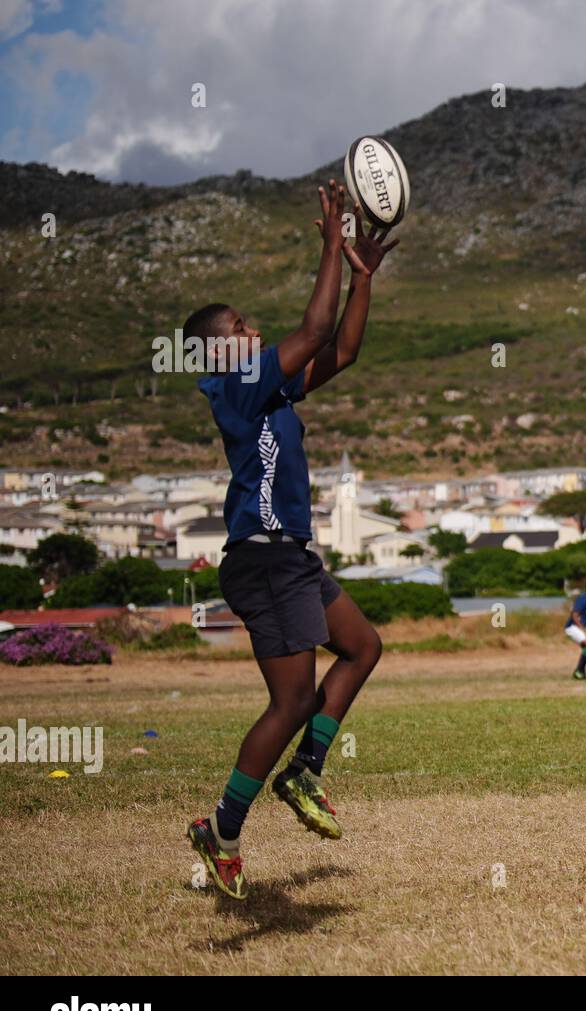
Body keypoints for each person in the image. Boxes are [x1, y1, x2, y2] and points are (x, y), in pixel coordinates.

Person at [185, 180, 398, 900]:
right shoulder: (234, 385)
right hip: (265, 561)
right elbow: (310, 333)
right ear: (217, 350)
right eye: (241, 324)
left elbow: (342, 350)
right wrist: (332, 249)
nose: (253, 331)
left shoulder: (269, 388)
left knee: (364, 648)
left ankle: (305, 772)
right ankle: (222, 827)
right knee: (291, 702)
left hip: (291, 558)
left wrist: (360, 279)